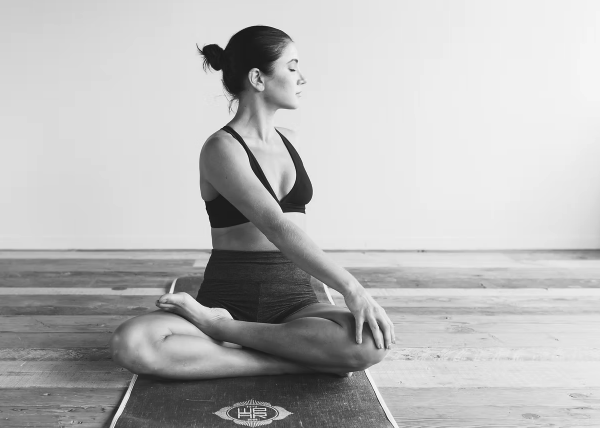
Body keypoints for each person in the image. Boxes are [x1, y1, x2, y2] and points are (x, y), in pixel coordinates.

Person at [109, 25, 395, 380]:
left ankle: (227, 335)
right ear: (258, 78)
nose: (302, 78)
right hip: (227, 297)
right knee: (132, 342)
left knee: (370, 342)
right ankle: (284, 353)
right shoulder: (221, 148)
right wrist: (353, 288)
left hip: (294, 300)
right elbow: (276, 226)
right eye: (292, 67)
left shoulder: (291, 140)